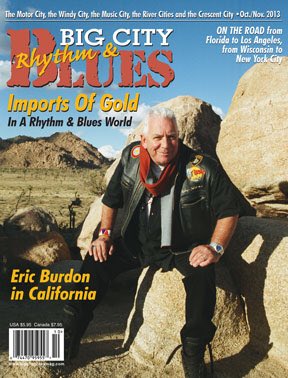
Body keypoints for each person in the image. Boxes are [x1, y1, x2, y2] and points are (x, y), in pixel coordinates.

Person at [63, 107, 255, 377]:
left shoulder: (201, 166)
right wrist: (104, 235)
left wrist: (215, 248)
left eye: (172, 137)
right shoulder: (131, 159)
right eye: (158, 138)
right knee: (95, 262)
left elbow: (229, 211)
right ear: (143, 140)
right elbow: (111, 199)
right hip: (136, 243)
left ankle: (193, 356)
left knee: (203, 283)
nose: (166, 145)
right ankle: (67, 340)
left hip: (183, 247)